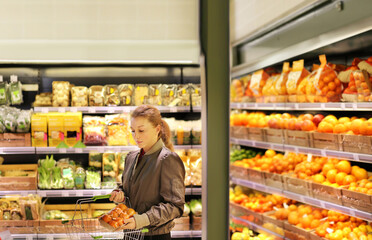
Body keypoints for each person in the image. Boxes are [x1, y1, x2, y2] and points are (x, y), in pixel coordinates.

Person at [110, 105, 185, 240]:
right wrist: (119, 194)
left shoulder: (168, 160)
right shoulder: (131, 157)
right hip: (130, 234)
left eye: (141, 130)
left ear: (157, 129)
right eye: (132, 131)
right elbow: (130, 190)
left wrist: (141, 220)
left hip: (154, 236)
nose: (136, 136)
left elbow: (175, 206)